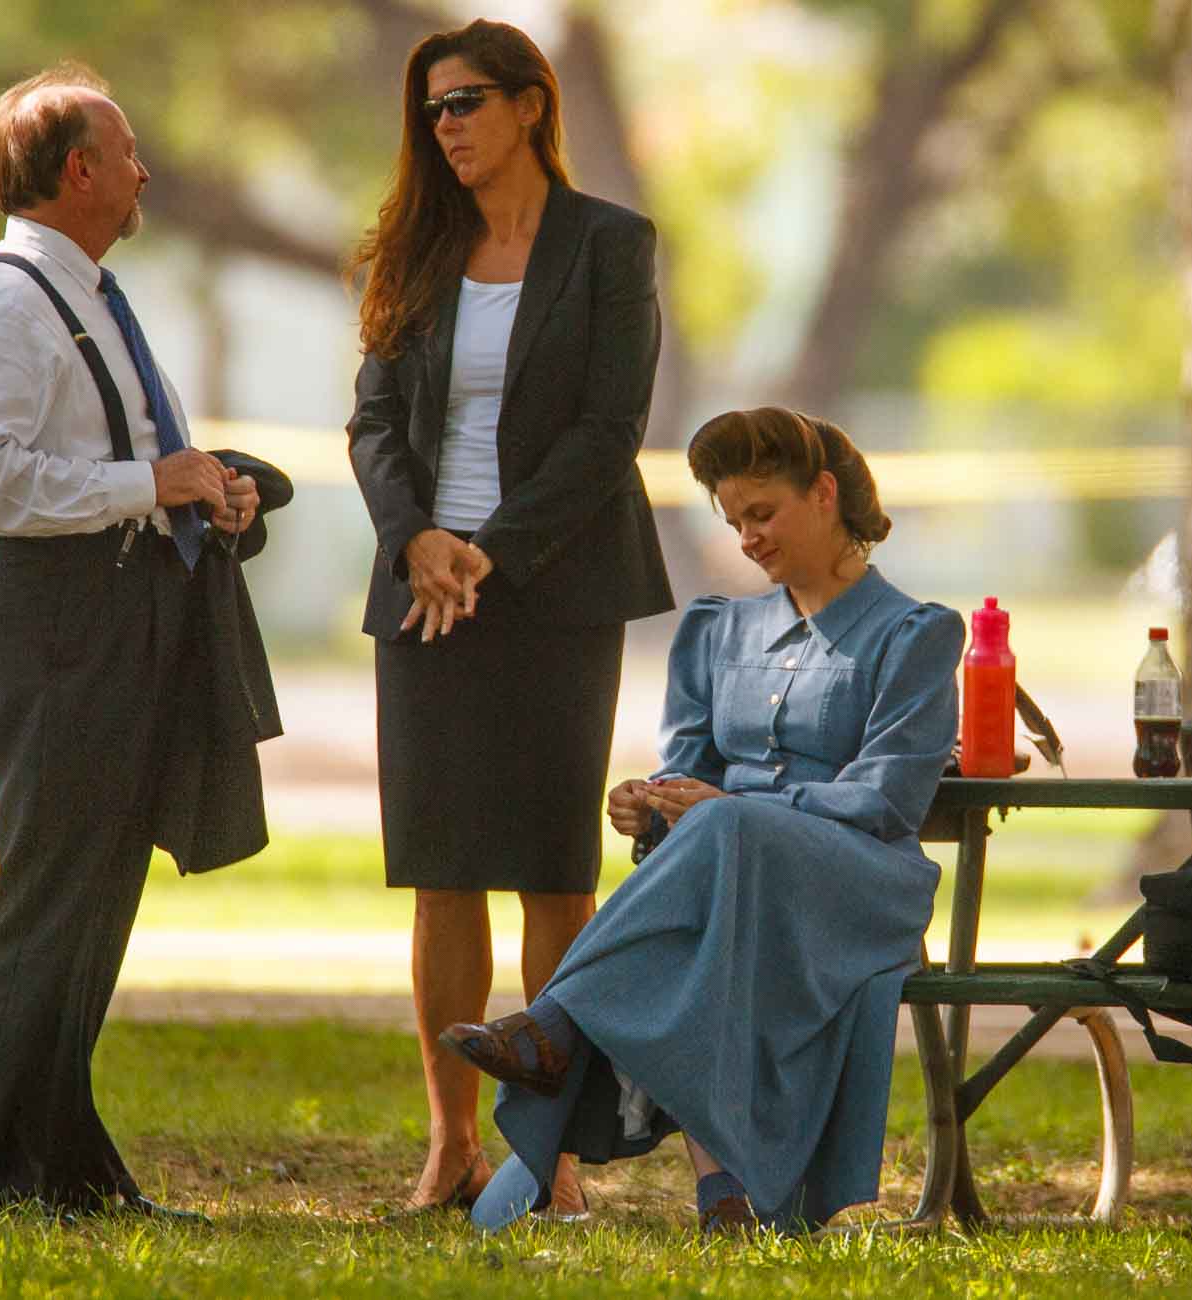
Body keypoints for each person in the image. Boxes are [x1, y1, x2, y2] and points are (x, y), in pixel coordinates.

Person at [443, 407, 966, 1233]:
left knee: (725, 835)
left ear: (824, 494)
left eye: (764, 514)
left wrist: (737, 810)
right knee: (713, 870)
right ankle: (723, 1197)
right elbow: (687, 775)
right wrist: (648, 805)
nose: (748, 537)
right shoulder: (717, 628)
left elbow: (888, 799)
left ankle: (558, 1026)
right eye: (734, 521)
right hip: (727, 878)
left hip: (858, 886)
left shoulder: (917, 633)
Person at [344, 18, 672, 1217]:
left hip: (556, 587)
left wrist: (490, 551)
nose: (448, 127)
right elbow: (374, 425)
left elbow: (607, 429)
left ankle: (554, 1153)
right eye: (432, 109)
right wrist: (416, 541)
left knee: (550, 871)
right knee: (442, 873)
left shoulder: (610, 245)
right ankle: (451, 1144)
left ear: (532, 105)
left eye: (468, 101)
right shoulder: (412, 247)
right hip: (424, 593)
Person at [0, 62, 269, 1221]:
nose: (142, 173)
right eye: (125, 155)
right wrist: (145, 484)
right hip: (61, 622)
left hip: (130, 614)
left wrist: (201, 489)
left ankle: (65, 1170)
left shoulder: (90, 298)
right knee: (50, 895)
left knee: (96, 900)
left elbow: (127, 459)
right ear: (79, 170)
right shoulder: (8, 301)